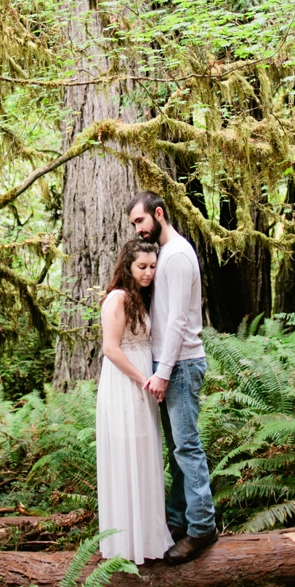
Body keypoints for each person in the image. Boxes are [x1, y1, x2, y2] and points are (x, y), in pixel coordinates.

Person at [127, 190, 217, 564]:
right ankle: (179, 521)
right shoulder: (164, 256)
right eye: (134, 224)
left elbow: (179, 319)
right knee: (177, 449)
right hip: (170, 365)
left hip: (180, 365)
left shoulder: (178, 255)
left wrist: (162, 373)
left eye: (140, 221)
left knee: (187, 447)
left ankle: (202, 529)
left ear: (158, 214)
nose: (137, 229)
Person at [96, 238, 173, 565]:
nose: (148, 273)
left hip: (143, 385)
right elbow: (111, 349)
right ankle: (126, 542)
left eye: (153, 267)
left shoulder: (141, 298)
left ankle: (148, 537)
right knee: (127, 456)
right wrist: (143, 379)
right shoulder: (117, 299)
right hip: (126, 386)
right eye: (142, 266)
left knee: (144, 456)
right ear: (127, 266)